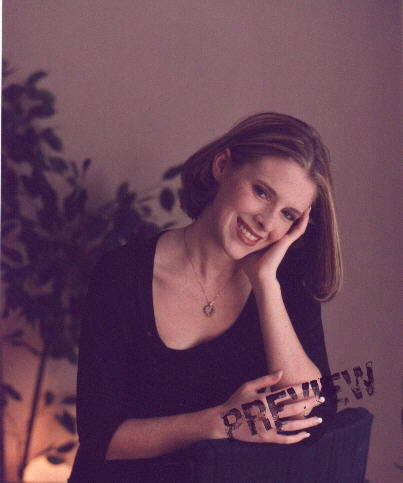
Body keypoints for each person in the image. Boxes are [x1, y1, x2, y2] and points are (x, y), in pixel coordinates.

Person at [69, 112, 342, 482]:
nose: (266, 222)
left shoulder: (284, 285)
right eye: (262, 192)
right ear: (222, 166)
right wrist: (221, 422)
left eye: (287, 214)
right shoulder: (121, 275)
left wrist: (265, 284)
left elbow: (311, 417)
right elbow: (100, 439)